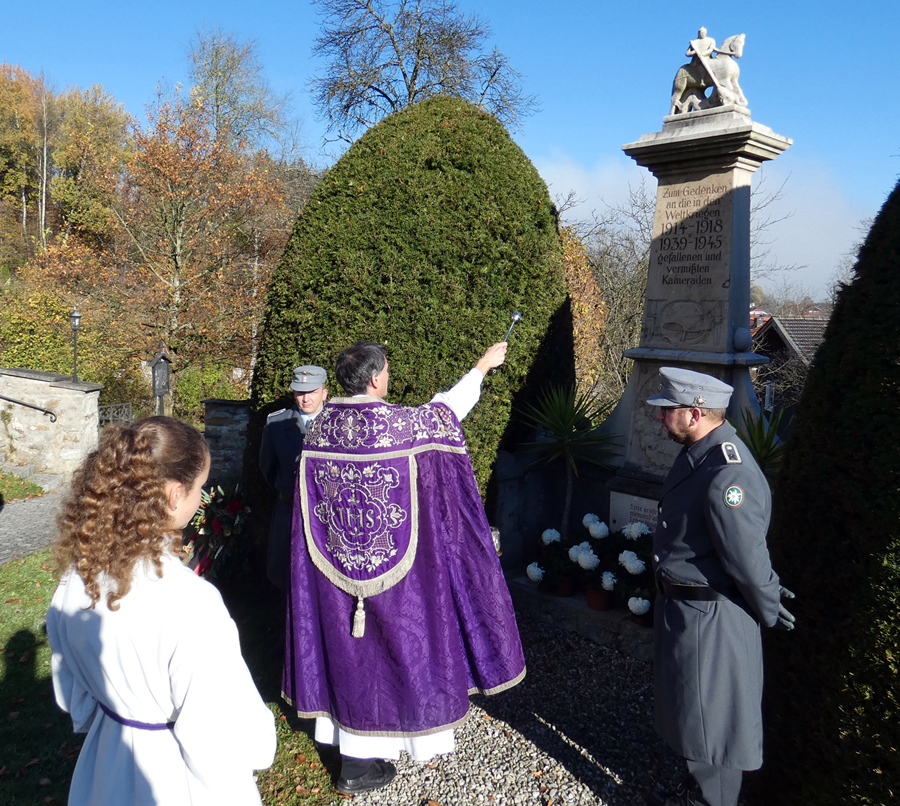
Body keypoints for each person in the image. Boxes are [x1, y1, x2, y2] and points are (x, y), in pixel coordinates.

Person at [282, 341, 526, 796]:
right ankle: (405, 735)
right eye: (387, 371)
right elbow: (448, 409)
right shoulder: (404, 426)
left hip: (332, 570)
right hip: (401, 575)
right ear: (376, 379)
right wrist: (481, 367)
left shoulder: (316, 434)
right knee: (398, 651)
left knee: (349, 654)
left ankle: (353, 763)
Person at [48, 417, 276, 806]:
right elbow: (216, 734)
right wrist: (258, 748)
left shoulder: (76, 582)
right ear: (174, 495)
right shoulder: (191, 602)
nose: (199, 499)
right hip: (175, 780)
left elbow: (75, 698)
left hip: (105, 766)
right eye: (199, 489)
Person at [646, 367, 795, 806]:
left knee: (715, 733)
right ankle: (697, 790)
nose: (660, 419)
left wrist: (769, 606)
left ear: (694, 414)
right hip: (688, 613)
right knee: (696, 720)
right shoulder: (703, 452)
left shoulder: (728, 472)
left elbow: (747, 559)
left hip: (711, 622)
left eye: (667, 411)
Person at [259, 365, 328, 591]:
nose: (306, 398)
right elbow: (268, 468)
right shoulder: (276, 424)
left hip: (327, 517)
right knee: (285, 577)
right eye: (300, 392)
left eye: (312, 392)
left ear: (324, 393)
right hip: (289, 513)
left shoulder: (337, 424)